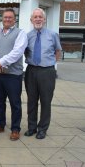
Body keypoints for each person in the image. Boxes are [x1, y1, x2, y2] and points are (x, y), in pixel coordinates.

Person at [0, 8, 27, 141]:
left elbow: (17, 52)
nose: (7, 19)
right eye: (5, 17)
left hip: (13, 75)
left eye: (10, 17)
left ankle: (15, 129)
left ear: (14, 19)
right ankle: (0, 124)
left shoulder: (20, 33)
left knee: (15, 103)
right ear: (2, 19)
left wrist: (0, 62)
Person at [24, 8, 62, 139]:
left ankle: (42, 129)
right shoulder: (27, 36)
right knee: (31, 101)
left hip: (47, 71)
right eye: (35, 17)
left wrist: (51, 65)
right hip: (31, 71)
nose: (38, 19)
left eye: (40, 17)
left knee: (46, 101)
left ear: (44, 20)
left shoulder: (52, 35)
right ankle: (31, 127)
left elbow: (58, 51)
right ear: (31, 20)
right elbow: (24, 52)